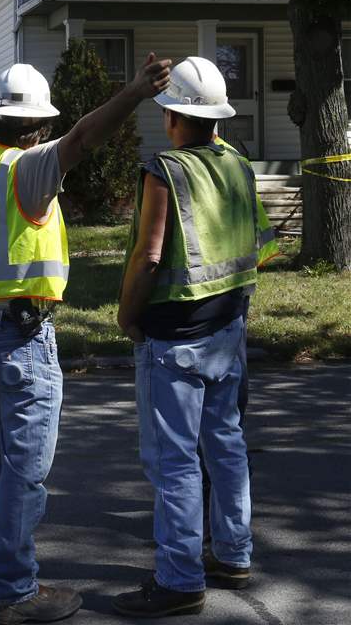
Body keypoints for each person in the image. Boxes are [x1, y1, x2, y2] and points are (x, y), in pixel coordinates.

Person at [0, 55, 172, 625]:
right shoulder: (33, 169)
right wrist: (136, 91)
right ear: (40, 127)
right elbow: (87, 134)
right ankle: (14, 591)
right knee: (25, 470)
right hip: (22, 341)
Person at [113, 57, 279, 619]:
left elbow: (149, 255)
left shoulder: (166, 169)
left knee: (176, 462)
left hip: (175, 337)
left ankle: (180, 579)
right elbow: (259, 238)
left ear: (171, 115)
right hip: (227, 327)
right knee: (226, 446)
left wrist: (126, 315)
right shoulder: (236, 161)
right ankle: (233, 554)